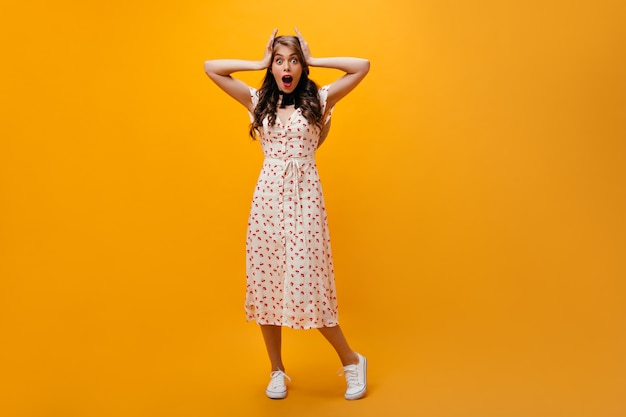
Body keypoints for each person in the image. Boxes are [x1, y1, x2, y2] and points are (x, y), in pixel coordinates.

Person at [204, 28, 370, 400]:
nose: (286, 67)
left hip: (305, 199)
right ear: (273, 67)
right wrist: (258, 63)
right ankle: (276, 370)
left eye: (293, 60)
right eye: (279, 61)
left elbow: (362, 67)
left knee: (310, 283)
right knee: (265, 283)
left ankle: (351, 360)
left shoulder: (320, 99)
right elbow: (211, 68)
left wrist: (316, 59)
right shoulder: (258, 99)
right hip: (267, 201)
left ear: (301, 66)